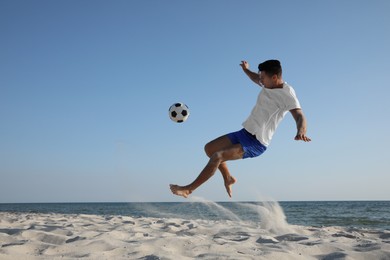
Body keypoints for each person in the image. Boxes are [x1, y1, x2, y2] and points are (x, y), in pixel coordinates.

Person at [170, 59, 311, 198]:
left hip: (257, 142)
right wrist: (245, 70)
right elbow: (255, 78)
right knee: (210, 149)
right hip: (245, 132)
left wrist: (301, 131)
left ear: (274, 78)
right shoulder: (267, 83)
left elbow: (299, 116)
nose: (260, 80)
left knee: (217, 156)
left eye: (263, 78)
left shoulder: (288, 95)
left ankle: (188, 189)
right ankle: (228, 178)